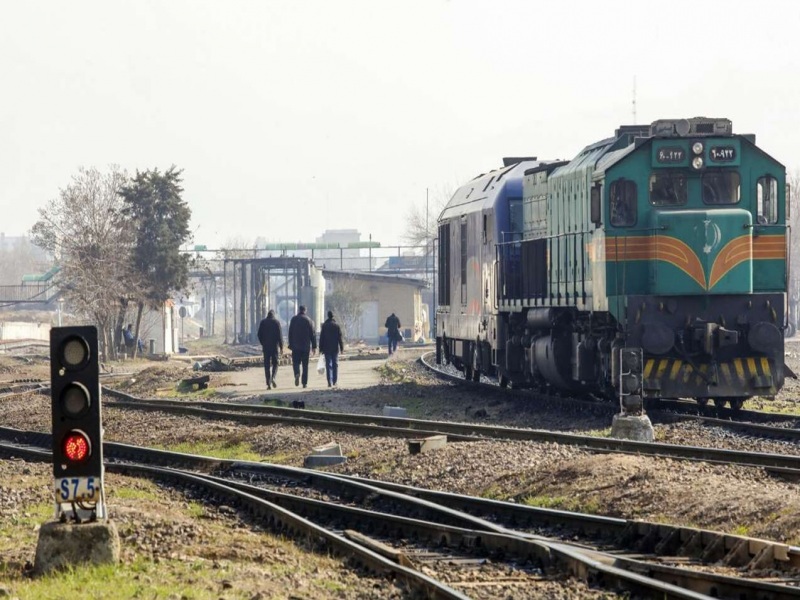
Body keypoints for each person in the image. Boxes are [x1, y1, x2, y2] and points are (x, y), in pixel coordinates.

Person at [288, 305, 317, 388]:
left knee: (296, 362)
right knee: (305, 365)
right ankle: (304, 383)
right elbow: (313, 334)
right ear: (305, 310)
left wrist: (291, 344)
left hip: (296, 346)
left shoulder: (293, 319)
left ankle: (297, 373)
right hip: (305, 347)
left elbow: (290, 333)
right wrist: (314, 346)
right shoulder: (309, 320)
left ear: (299, 310)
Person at [257, 309, 283, 389]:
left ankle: (268, 383)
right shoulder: (276, 322)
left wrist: (263, 343)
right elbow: (280, 336)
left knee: (267, 365)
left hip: (266, 347)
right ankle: (273, 377)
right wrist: (281, 347)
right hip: (274, 347)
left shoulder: (263, 322)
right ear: (274, 315)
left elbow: (259, 334)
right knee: (275, 363)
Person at [319, 310, 344, 387]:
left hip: (326, 348)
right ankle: (334, 381)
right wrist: (342, 347)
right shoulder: (336, 326)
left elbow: (321, 338)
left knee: (328, 365)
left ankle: (329, 382)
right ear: (333, 316)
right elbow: (340, 338)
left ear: (328, 316)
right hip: (334, 348)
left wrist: (320, 348)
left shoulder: (324, 326)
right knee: (335, 364)